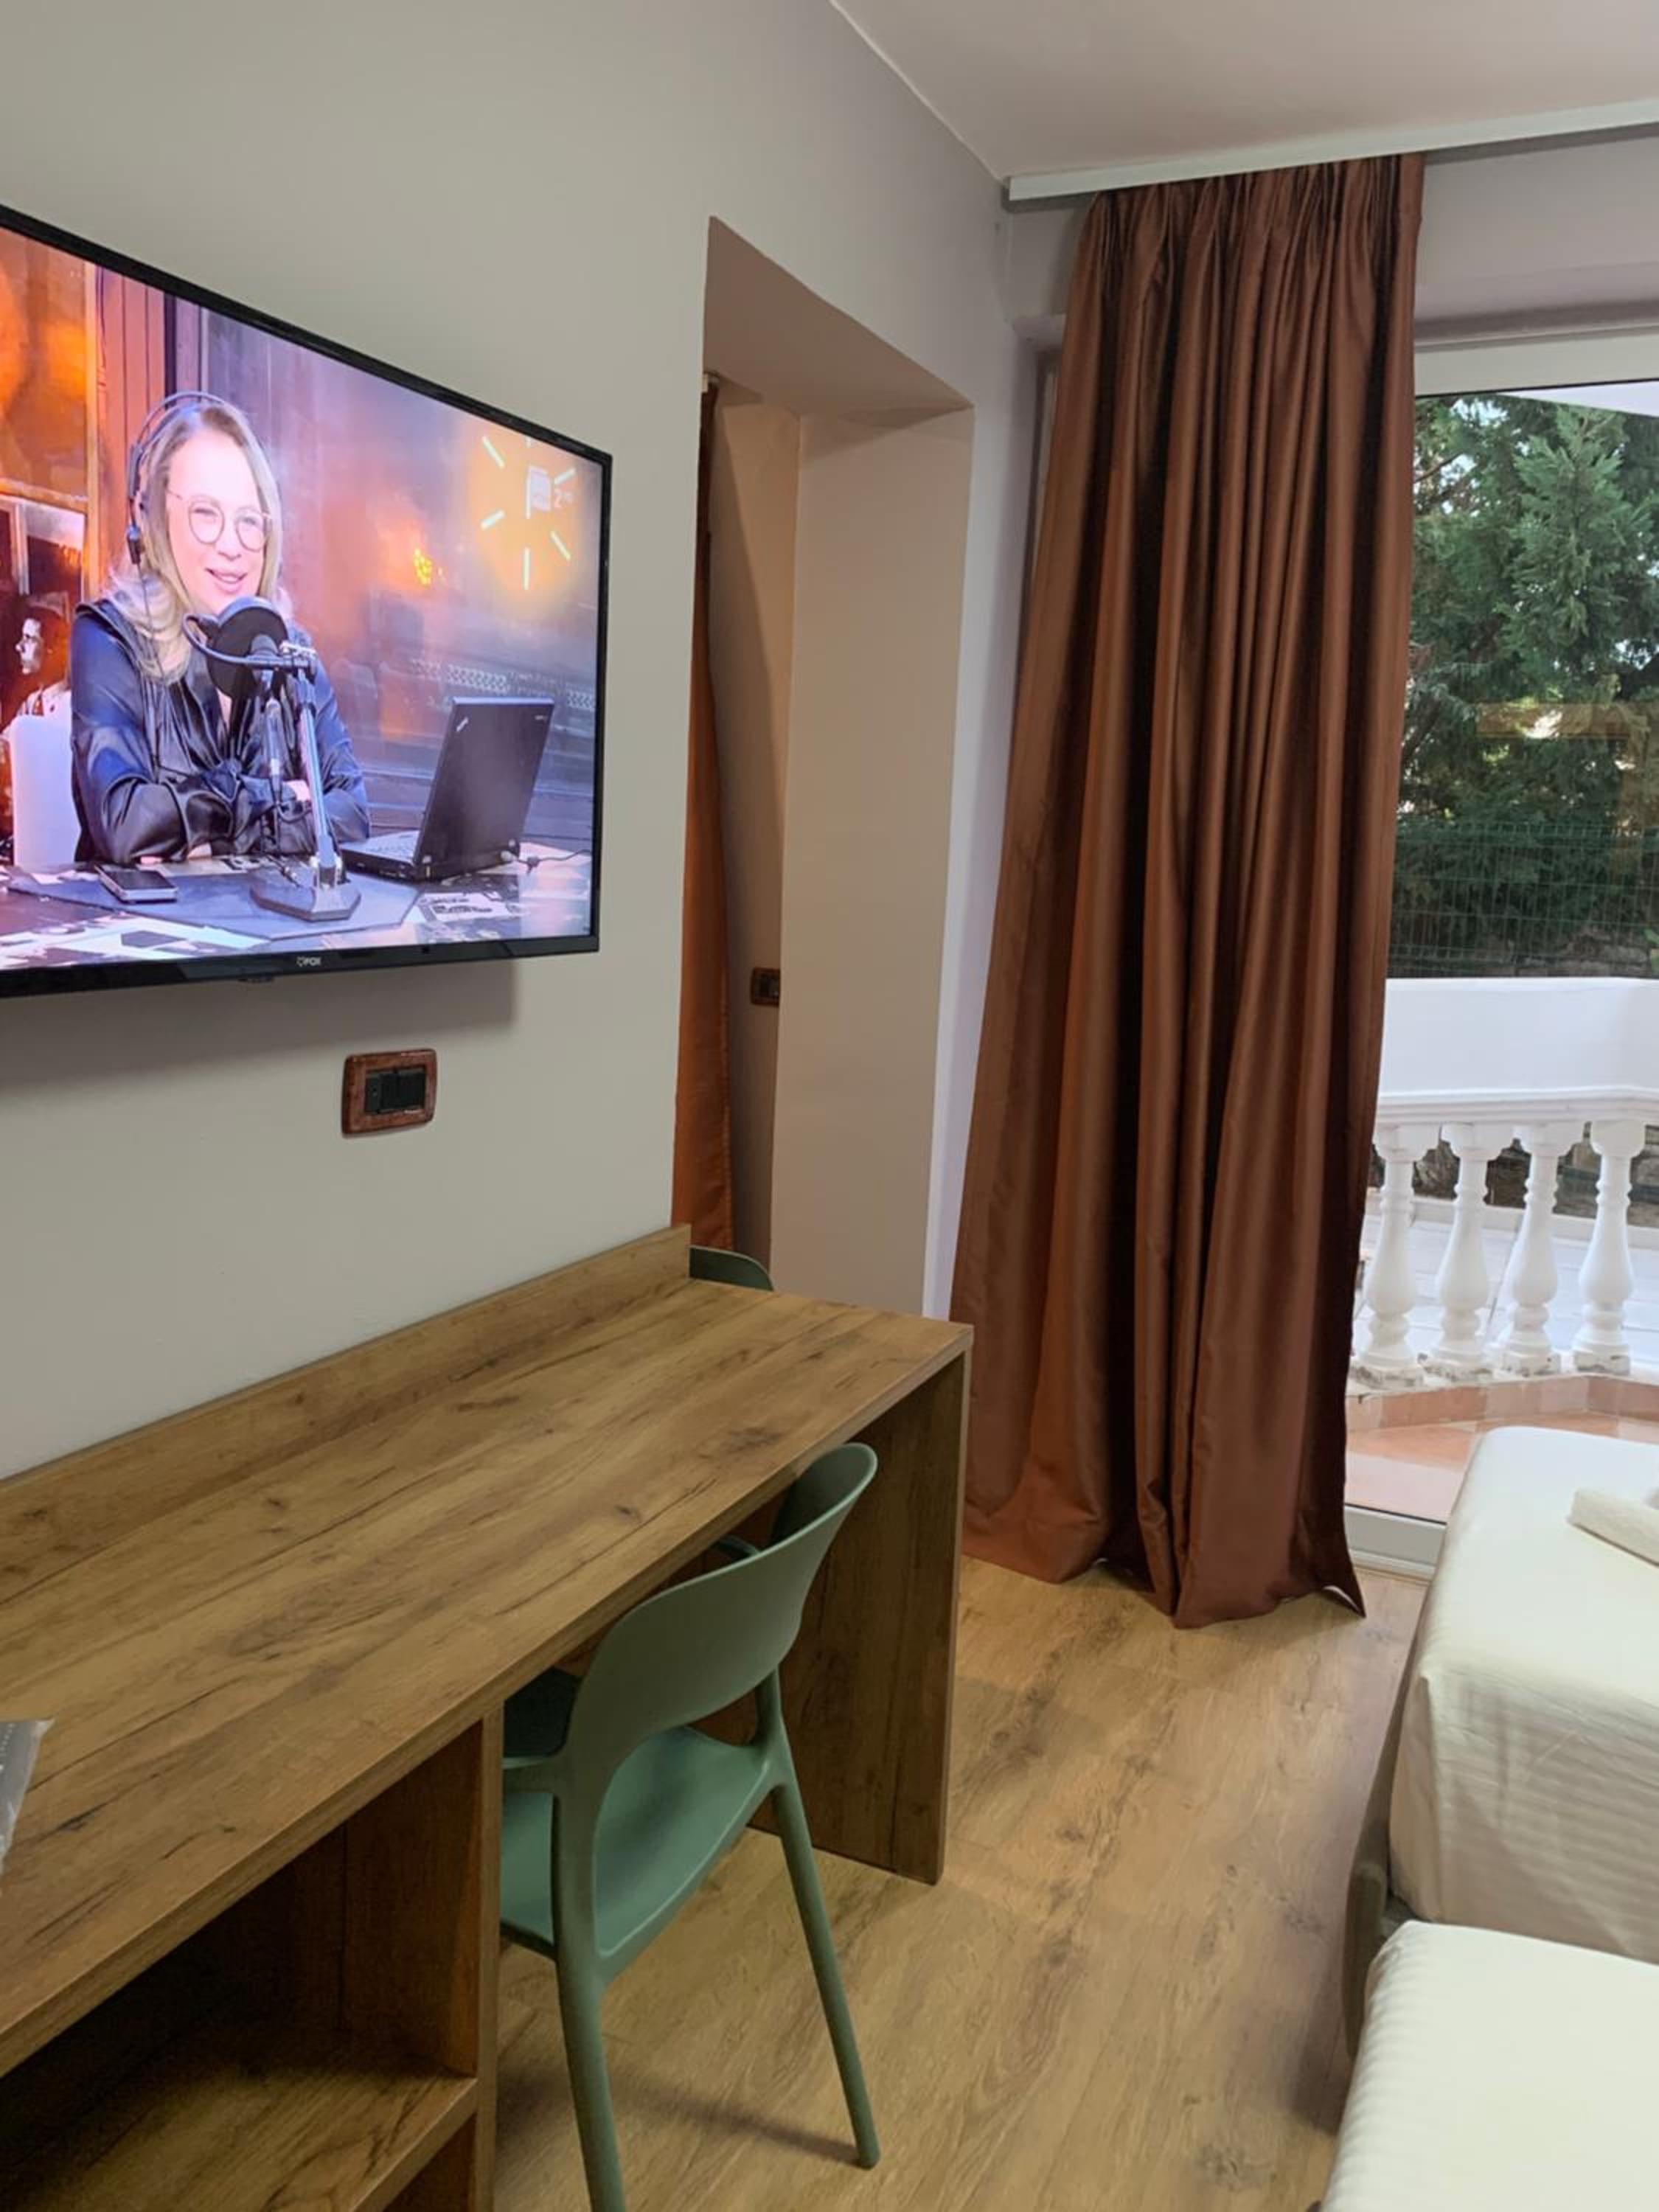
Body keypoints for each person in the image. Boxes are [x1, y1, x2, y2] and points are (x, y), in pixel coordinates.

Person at [70, 394, 369, 865]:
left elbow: (351, 815)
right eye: (206, 513)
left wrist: (209, 835)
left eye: (248, 520)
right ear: (155, 523)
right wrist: (275, 800)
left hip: (273, 915)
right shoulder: (107, 638)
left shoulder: (291, 653)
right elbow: (126, 825)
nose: (232, 545)